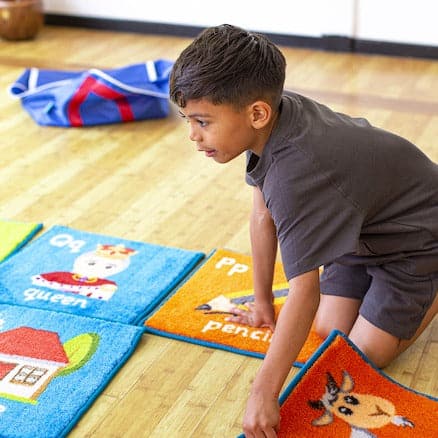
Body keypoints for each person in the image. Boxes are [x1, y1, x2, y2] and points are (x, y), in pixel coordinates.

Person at [169, 24, 438, 437]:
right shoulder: (271, 119)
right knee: (330, 335)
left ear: (256, 113)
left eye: (202, 121)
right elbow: (263, 216)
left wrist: (264, 392)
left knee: (365, 355)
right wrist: (261, 301)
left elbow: (304, 290)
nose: (193, 135)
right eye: (188, 119)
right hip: (361, 233)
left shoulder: (297, 171)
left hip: (417, 239)